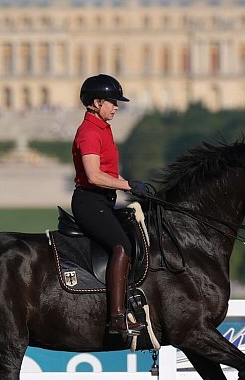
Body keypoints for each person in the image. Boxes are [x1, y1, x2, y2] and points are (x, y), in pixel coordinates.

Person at [71, 74, 151, 336]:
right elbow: (93, 175)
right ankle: (117, 318)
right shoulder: (89, 132)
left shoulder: (102, 129)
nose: (116, 107)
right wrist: (127, 185)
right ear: (97, 102)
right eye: (112, 102)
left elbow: (107, 172)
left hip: (103, 199)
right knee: (122, 246)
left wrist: (135, 186)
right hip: (89, 201)